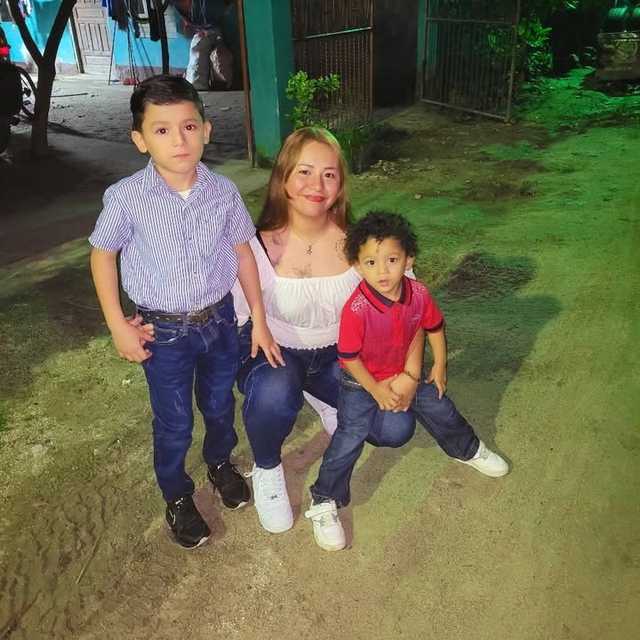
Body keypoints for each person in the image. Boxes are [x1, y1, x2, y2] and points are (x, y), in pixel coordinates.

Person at [89, 75, 282, 549]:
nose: (179, 140)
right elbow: (102, 254)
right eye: (162, 130)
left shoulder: (223, 191)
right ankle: (177, 493)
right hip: (163, 332)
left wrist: (258, 318)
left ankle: (219, 463)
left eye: (189, 126)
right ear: (140, 140)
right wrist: (117, 325)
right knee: (174, 420)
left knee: (218, 404)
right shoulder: (127, 197)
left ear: (206, 131)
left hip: (220, 322)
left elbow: (243, 253)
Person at [232, 128, 424, 534]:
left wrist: (406, 371)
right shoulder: (254, 246)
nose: (316, 186)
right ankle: (267, 467)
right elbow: (235, 317)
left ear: (340, 186)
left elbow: (407, 308)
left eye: (329, 175)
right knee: (274, 392)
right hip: (278, 352)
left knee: (394, 427)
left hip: (342, 357)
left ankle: (324, 397)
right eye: (304, 172)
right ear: (283, 178)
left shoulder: (361, 244)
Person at [305, 211, 510, 551]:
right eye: (371, 262)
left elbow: (434, 327)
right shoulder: (356, 308)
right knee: (350, 435)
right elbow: (349, 358)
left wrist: (440, 365)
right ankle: (325, 498)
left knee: (440, 406)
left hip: (404, 373)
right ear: (357, 266)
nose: (382, 272)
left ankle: (468, 449)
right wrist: (375, 390)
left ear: (409, 259)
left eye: (392, 260)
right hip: (361, 383)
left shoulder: (419, 293)